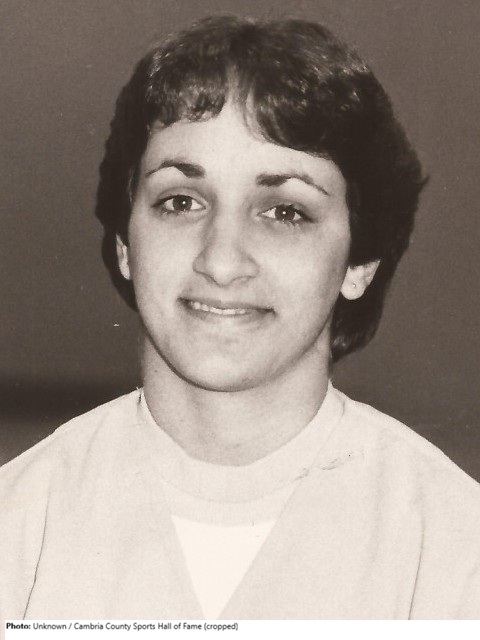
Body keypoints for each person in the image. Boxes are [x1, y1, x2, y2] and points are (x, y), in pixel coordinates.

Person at [1, 15, 479, 621]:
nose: (222, 262)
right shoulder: (19, 526)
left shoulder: (452, 547)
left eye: (284, 212)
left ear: (360, 262)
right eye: (180, 202)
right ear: (125, 242)